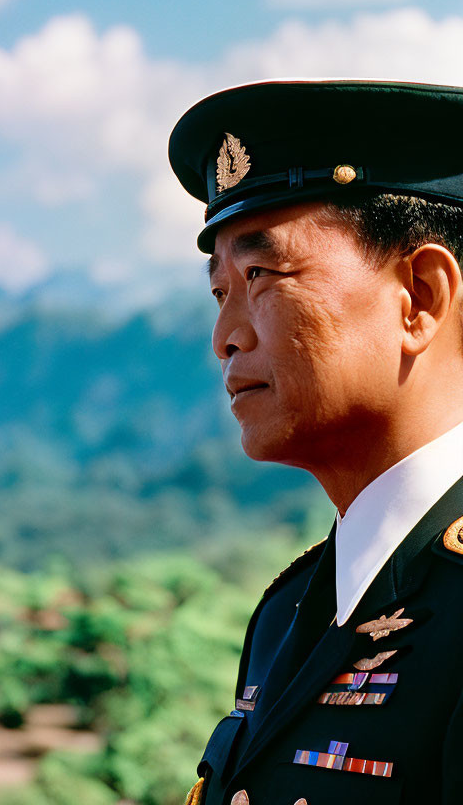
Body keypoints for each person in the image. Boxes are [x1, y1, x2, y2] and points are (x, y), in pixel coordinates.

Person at [168, 79, 463, 805]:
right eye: (220, 291)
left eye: (262, 275)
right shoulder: (288, 609)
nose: (225, 338)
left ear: (420, 297)